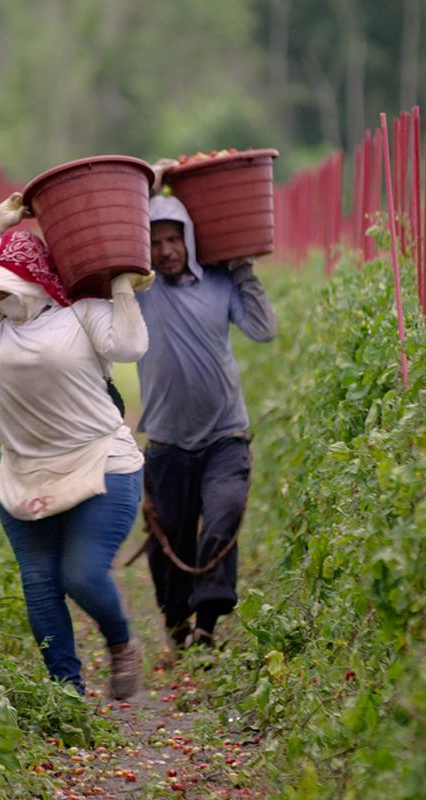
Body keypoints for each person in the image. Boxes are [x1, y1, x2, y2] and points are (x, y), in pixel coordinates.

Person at [0, 192, 154, 699]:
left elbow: (129, 346)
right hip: (25, 471)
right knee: (39, 582)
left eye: (5, 290)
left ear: (34, 280)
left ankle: (122, 643)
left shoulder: (83, 313)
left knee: (81, 573)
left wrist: (122, 288)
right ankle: (66, 694)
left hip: (101, 463)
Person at [134, 177, 277, 656]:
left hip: (224, 436)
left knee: (223, 516)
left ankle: (209, 622)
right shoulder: (141, 292)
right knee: (167, 542)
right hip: (167, 443)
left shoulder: (219, 282)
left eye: (173, 238)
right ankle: (176, 623)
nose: (166, 250)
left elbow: (262, 330)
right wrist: (149, 180)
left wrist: (243, 270)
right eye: (154, 241)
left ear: (189, 240)